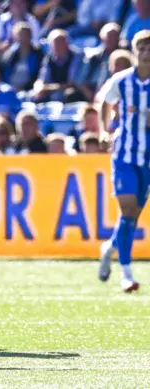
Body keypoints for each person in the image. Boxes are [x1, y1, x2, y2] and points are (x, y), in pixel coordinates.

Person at [98, 30, 150, 293]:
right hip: (124, 156)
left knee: (132, 216)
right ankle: (126, 274)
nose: (145, 52)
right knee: (128, 209)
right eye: (141, 47)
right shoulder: (122, 80)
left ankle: (109, 247)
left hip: (148, 160)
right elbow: (104, 103)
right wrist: (104, 129)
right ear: (134, 50)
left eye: (149, 47)